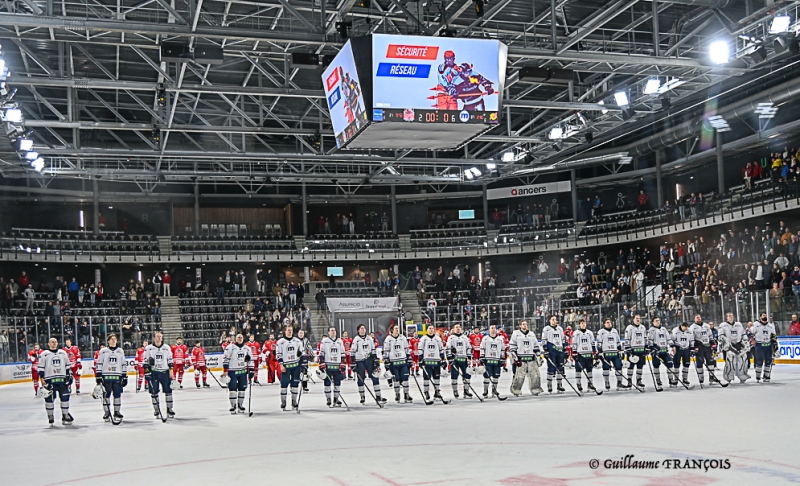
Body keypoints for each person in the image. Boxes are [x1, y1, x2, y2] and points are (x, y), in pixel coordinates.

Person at [37, 338, 74, 426]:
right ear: (48, 344)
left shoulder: (63, 352)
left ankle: (65, 415)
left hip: (62, 380)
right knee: (49, 400)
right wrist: (41, 378)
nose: (54, 343)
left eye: (55, 342)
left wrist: (69, 375)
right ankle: (50, 416)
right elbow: (41, 367)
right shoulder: (44, 354)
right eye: (52, 342)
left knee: (65, 399)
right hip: (50, 380)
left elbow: (68, 365)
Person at [96, 334, 127, 423]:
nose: (113, 341)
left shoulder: (120, 351)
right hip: (106, 376)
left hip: (117, 376)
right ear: (108, 341)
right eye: (111, 339)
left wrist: (124, 376)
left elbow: (123, 363)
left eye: (115, 339)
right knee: (106, 395)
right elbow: (99, 363)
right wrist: (98, 375)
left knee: (117, 395)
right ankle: (106, 412)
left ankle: (117, 412)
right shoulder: (103, 351)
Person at [351, 324, 386, 405]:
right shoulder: (356, 339)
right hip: (360, 361)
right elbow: (352, 352)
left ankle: (378, 396)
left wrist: (375, 359)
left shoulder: (369, 338)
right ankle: (362, 397)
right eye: (361, 328)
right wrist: (353, 362)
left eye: (364, 328)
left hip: (369, 360)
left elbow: (373, 349)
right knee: (361, 379)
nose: (363, 330)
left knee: (375, 376)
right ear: (358, 330)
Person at [144, 331, 176, 419]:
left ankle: (169, 409)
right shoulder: (148, 348)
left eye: (160, 336)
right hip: (154, 372)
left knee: (168, 391)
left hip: (165, 372)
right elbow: (145, 361)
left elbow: (170, 360)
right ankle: (156, 410)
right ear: (154, 338)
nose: (159, 338)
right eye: (157, 336)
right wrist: (147, 372)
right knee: (154, 392)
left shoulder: (166, 348)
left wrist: (171, 371)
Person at [508, 320, 543, 396]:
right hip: (521, 358)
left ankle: (535, 389)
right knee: (519, 376)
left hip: (531, 357)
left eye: (526, 324)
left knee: (534, 375)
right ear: (520, 325)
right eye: (523, 324)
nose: (525, 326)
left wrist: (538, 354)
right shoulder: (516, 333)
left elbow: (536, 345)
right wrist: (514, 357)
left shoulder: (531, 334)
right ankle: (516, 390)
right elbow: (512, 346)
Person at [222, 334, 254, 414]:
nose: (240, 339)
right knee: (232, 389)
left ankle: (240, 405)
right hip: (232, 371)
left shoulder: (247, 348)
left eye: (241, 337)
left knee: (242, 389)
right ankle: (233, 406)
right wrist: (225, 370)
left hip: (243, 372)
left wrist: (251, 370)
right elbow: (226, 359)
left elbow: (251, 360)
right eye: (238, 337)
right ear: (235, 339)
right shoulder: (230, 347)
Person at [383, 323, 412, 403]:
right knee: (396, 379)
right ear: (392, 330)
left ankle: (406, 394)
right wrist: (386, 360)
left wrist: (409, 357)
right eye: (396, 328)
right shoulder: (388, 339)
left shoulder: (403, 338)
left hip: (403, 361)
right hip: (393, 362)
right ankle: (397, 394)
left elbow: (406, 348)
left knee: (405, 378)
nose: (397, 330)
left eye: (398, 328)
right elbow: (386, 350)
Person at [718, 312, 750, 384]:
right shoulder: (723, 325)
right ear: (726, 317)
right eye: (729, 316)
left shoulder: (739, 324)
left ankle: (742, 376)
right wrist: (725, 341)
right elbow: (720, 336)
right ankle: (728, 377)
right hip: (729, 346)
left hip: (739, 345)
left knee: (743, 361)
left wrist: (745, 341)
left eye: (732, 315)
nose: (731, 317)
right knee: (730, 362)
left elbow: (743, 334)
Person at [596, 318, 627, 391]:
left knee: (619, 366)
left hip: (615, 353)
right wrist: (600, 352)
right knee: (606, 368)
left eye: (610, 322)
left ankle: (619, 383)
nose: (609, 323)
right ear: (604, 324)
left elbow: (618, 342)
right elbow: (599, 343)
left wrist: (621, 351)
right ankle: (607, 382)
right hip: (605, 353)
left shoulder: (615, 331)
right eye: (607, 322)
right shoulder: (601, 332)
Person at [319, 326, 346, 407]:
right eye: (331, 330)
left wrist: (343, 364)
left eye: (334, 330)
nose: (333, 332)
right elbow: (321, 353)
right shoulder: (325, 341)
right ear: (328, 332)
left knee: (337, 383)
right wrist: (322, 363)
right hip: (328, 365)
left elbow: (342, 353)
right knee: (327, 382)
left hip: (337, 366)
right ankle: (328, 399)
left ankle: (336, 398)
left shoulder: (339, 341)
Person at [689, 314, 718, 386]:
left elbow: (710, 335)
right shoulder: (692, 327)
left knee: (710, 362)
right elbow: (691, 338)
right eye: (697, 317)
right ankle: (701, 378)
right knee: (699, 362)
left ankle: (711, 377)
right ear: (694, 319)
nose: (698, 318)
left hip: (707, 346)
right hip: (699, 347)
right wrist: (692, 347)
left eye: (699, 317)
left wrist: (713, 343)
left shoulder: (706, 326)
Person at [418, 324, 445, 402]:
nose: (431, 330)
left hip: (436, 361)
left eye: (432, 328)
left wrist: (443, 359)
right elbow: (420, 349)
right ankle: (426, 392)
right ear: (427, 330)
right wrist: (420, 359)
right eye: (429, 328)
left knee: (437, 378)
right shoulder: (423, 339)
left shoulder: (438, 338)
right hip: (427, 361)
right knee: (426, 378)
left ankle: (437, 392)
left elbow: (441, 349)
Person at [647, 317, 677, 388]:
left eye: (659, 320)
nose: (658, 322)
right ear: (653, 322)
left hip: (664, 351)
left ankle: (671, 380)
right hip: (656, 352)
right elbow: (649, 341)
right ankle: (658, 380)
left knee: (670, 364)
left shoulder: (664, 329)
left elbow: (668, 338)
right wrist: (652, 348)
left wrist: (672, 346)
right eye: (656, 321)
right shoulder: (651, 330)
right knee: (656, 366)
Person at [445, 323, 473, 398]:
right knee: (454, 375)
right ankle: (455, 391)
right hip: (455, 360)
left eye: (459, 327)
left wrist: (469, 358)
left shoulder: (465, 338)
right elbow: (447, 349)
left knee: (467, 375)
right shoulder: (451, 338)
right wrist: (450, 359)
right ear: (453, 329)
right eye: (456, 327)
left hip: (464, 359)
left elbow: (469, 348)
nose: (458, 328)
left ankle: (466, 391)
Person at [541, 315, 566, 394]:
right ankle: (549, 385)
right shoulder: (546, 329)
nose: (555, 321)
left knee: (560, 368)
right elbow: (544, 340)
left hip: (560, 350)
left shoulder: (560, 329)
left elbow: (563, 339)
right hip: (552, 351)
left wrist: (564, 350)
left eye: (555, 319)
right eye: (553, 319)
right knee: (551, 368)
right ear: (549, 320)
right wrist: (546, 350)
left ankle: (559, 385)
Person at [479, 324, 505, 399]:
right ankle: (485, 390)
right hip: (488, 361)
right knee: (487, 376)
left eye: (494, 328)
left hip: (496, 360)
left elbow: (502, 349)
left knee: (496, 376)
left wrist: (502, 358)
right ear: (489, 330)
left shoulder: (500, 339)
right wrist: (482, 357)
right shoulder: (485, 338)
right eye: (492, 328)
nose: (493, 329)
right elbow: (482, 348)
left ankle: (494, 390)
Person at [571, 319, 596, 393]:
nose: (583, 324)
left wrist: (594, 352)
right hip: (580, 354)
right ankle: (578, 384)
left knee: (589, 370)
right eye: (582, 323)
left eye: (584, 323)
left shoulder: (590, 333)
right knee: (578, 370)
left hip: (589, 354)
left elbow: (592, 343)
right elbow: (574, 344)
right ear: (579, 324)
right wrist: (575, 353)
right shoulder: (576, 333)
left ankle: (590, 384)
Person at [624, 314, 648, 389]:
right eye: (636, 318)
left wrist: (646, 348)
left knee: (640, 366)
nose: (638, 320)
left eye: (639, 318)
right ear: (633, 319)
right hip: (633, 350)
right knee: (630, 366)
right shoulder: (629, 328)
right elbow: (627, 339)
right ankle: (629, 380)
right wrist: (628, 348)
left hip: (641, 349)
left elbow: (645, 338)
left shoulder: (642, 327)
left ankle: (639, 380)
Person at [751, 313, 777, 383]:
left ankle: (766, 376)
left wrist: (775, 342)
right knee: (759, 361)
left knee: (768, 361)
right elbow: (751, 333)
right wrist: (752, 340)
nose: (765, 316)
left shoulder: (770, 326)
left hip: (768, 345)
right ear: (760, 317)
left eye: (765, 315)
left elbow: (774, 335)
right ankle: (758, 376)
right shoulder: (756, 324)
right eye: (763, 315)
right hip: (759, 345)